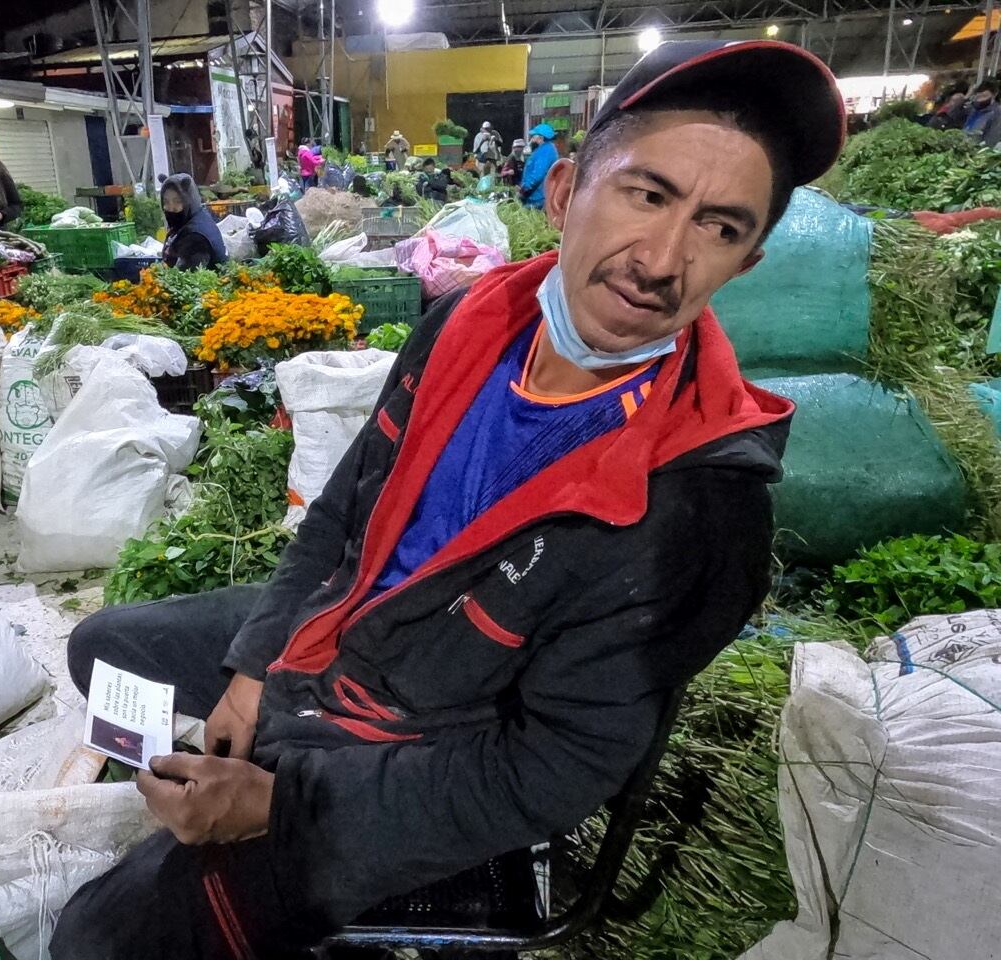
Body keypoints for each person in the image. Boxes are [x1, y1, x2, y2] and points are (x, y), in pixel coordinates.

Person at [50, 38, 845, 960]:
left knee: (93, 942)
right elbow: (343, 515)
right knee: (103, 649)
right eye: (648, 193)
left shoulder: (696, 510)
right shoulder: (470, 324)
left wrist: (286, 805)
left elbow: (553, 770)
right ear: (564, 190)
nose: (663, 259)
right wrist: (255, 666)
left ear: (743, 264)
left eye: (720, 226)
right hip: (353, 633)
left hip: (432, 735)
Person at [159, 173, 228, 271]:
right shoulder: (196, 216)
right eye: (166, 202)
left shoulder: (195, 238)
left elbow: (185, 278)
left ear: (189, 201)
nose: (170, 208)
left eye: (177, 201)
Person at [519, 122, 559, 209]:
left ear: (541, 138)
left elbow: (538, 174)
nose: (531, 139)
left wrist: (524, 189)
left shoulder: (545, 151)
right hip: (535, 197)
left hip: (538, 199)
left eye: (533, 136)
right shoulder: (544, 149)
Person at [964, 80, 1001, 147]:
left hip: (978, 151)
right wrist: (966, 97)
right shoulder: (973, 108)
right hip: (964, 146)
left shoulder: (997, 112)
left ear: (994, 94)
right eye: (978, 97)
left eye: (984, 96)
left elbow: (992, 139)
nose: (980, 100)